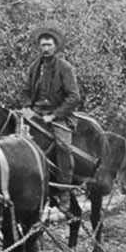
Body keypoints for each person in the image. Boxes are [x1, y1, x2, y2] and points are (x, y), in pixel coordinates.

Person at [23, 27, 83, 178]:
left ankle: (65, 185)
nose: (46, 48)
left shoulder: (65, 68)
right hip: (35, 113)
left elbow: (74, 97)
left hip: (58, 115)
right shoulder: (34, 67)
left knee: (63, 147)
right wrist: (26, 107)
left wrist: (54, 115)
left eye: (49, 45)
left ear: (55, 46)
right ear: (39, 47)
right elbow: (25, 91)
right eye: (43, 45)